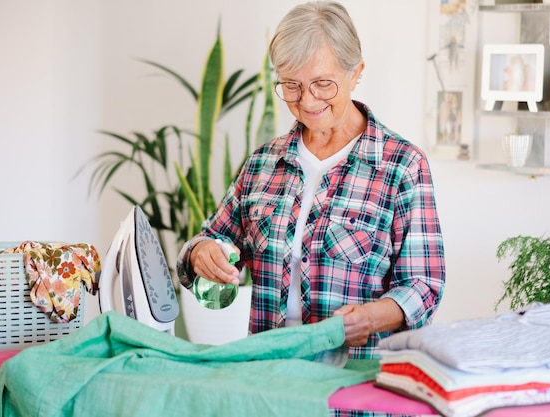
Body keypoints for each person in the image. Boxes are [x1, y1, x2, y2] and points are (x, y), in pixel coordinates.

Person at [176, 0, 445, 360]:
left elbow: (423, 287)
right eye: (291, 85)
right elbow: (214, 238)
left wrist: (369, 318)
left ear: (356, 72)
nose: (307, 100)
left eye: (322, 83)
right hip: (269, 379)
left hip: (354, 385)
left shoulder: (401, 166)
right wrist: (201, 253)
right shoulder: (263, 163)